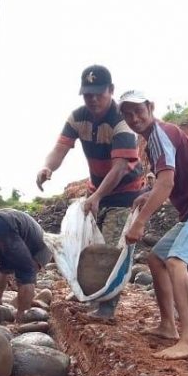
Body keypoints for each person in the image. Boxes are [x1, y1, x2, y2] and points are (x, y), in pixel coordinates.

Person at [118, 90, 188, 360]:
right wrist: (147, 195)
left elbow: (166, 183)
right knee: (156, 258)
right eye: (128, 114)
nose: (135, 118)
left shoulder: (160, 134)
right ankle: (168, 326)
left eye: (139, 111)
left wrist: (140, 222)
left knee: (177, 261)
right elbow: (166, 182)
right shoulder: (154, 141)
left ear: (151, 107)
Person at [35, 65, 143, 320]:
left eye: (99, 94)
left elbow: (119, 169)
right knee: (88, 246)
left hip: (125, 194)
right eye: (87, 94)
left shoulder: (121, 122)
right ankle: (90, 293)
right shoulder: (77, 117)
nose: (93, 99)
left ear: (111, 91)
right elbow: (60, 148)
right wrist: (47, 167)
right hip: (96, 192)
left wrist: (96, 197)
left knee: (111, 250)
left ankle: (107, 308)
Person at [0, 208, 52, 320]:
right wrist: (25, 282)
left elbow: (19, 260)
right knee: (28, 272)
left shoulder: (37, 237)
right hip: (6, 225)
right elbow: (32, 268)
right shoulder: (48, 248)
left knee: (4, 265)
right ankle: (21, 316)